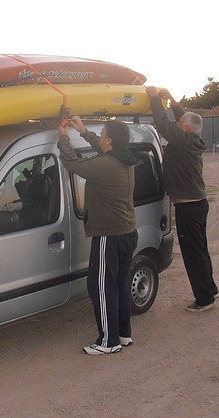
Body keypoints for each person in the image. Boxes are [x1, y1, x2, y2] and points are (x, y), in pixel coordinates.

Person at [57, 116, 138, 355]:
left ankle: (108, 342)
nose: (100, 135)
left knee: (101, 287)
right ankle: (123, 335)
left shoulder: (106, 166)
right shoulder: (124, 159)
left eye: (102, 132)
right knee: (120, 286)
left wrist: (63, 137)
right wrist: (82, 130)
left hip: (109, 237)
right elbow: (102, 152)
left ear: (110, 139)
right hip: (126, 232)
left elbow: (72, 164)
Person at [146, 86, 218, 312]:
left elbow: (163, 123)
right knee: (201, 250)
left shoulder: (184, 141)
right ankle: (210, 289)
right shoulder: (192, 140)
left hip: (189, 209)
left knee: (193, 254)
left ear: (185, 129)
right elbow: (183, 120)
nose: (176, 125)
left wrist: (154, 98)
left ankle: (204, 299)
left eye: (180, 125)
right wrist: (174, 102)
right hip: (197, 205)